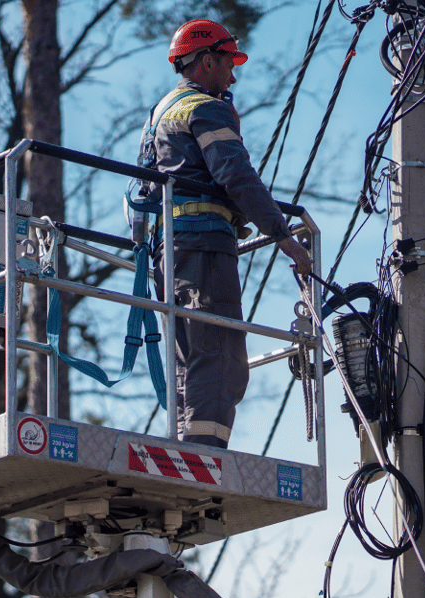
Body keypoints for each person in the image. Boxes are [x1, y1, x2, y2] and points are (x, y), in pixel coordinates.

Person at [138, 19, 311, 449]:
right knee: (220, 354)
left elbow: (151, 187)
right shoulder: (205, 107)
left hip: (169, 252)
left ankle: (186, 448)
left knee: (190, 357)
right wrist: (282, 235)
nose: (233, 76)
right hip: (204, 249)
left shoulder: (160, 113)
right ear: (208, 60)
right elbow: (235, 174)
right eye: (229, 63)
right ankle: (205, 458)